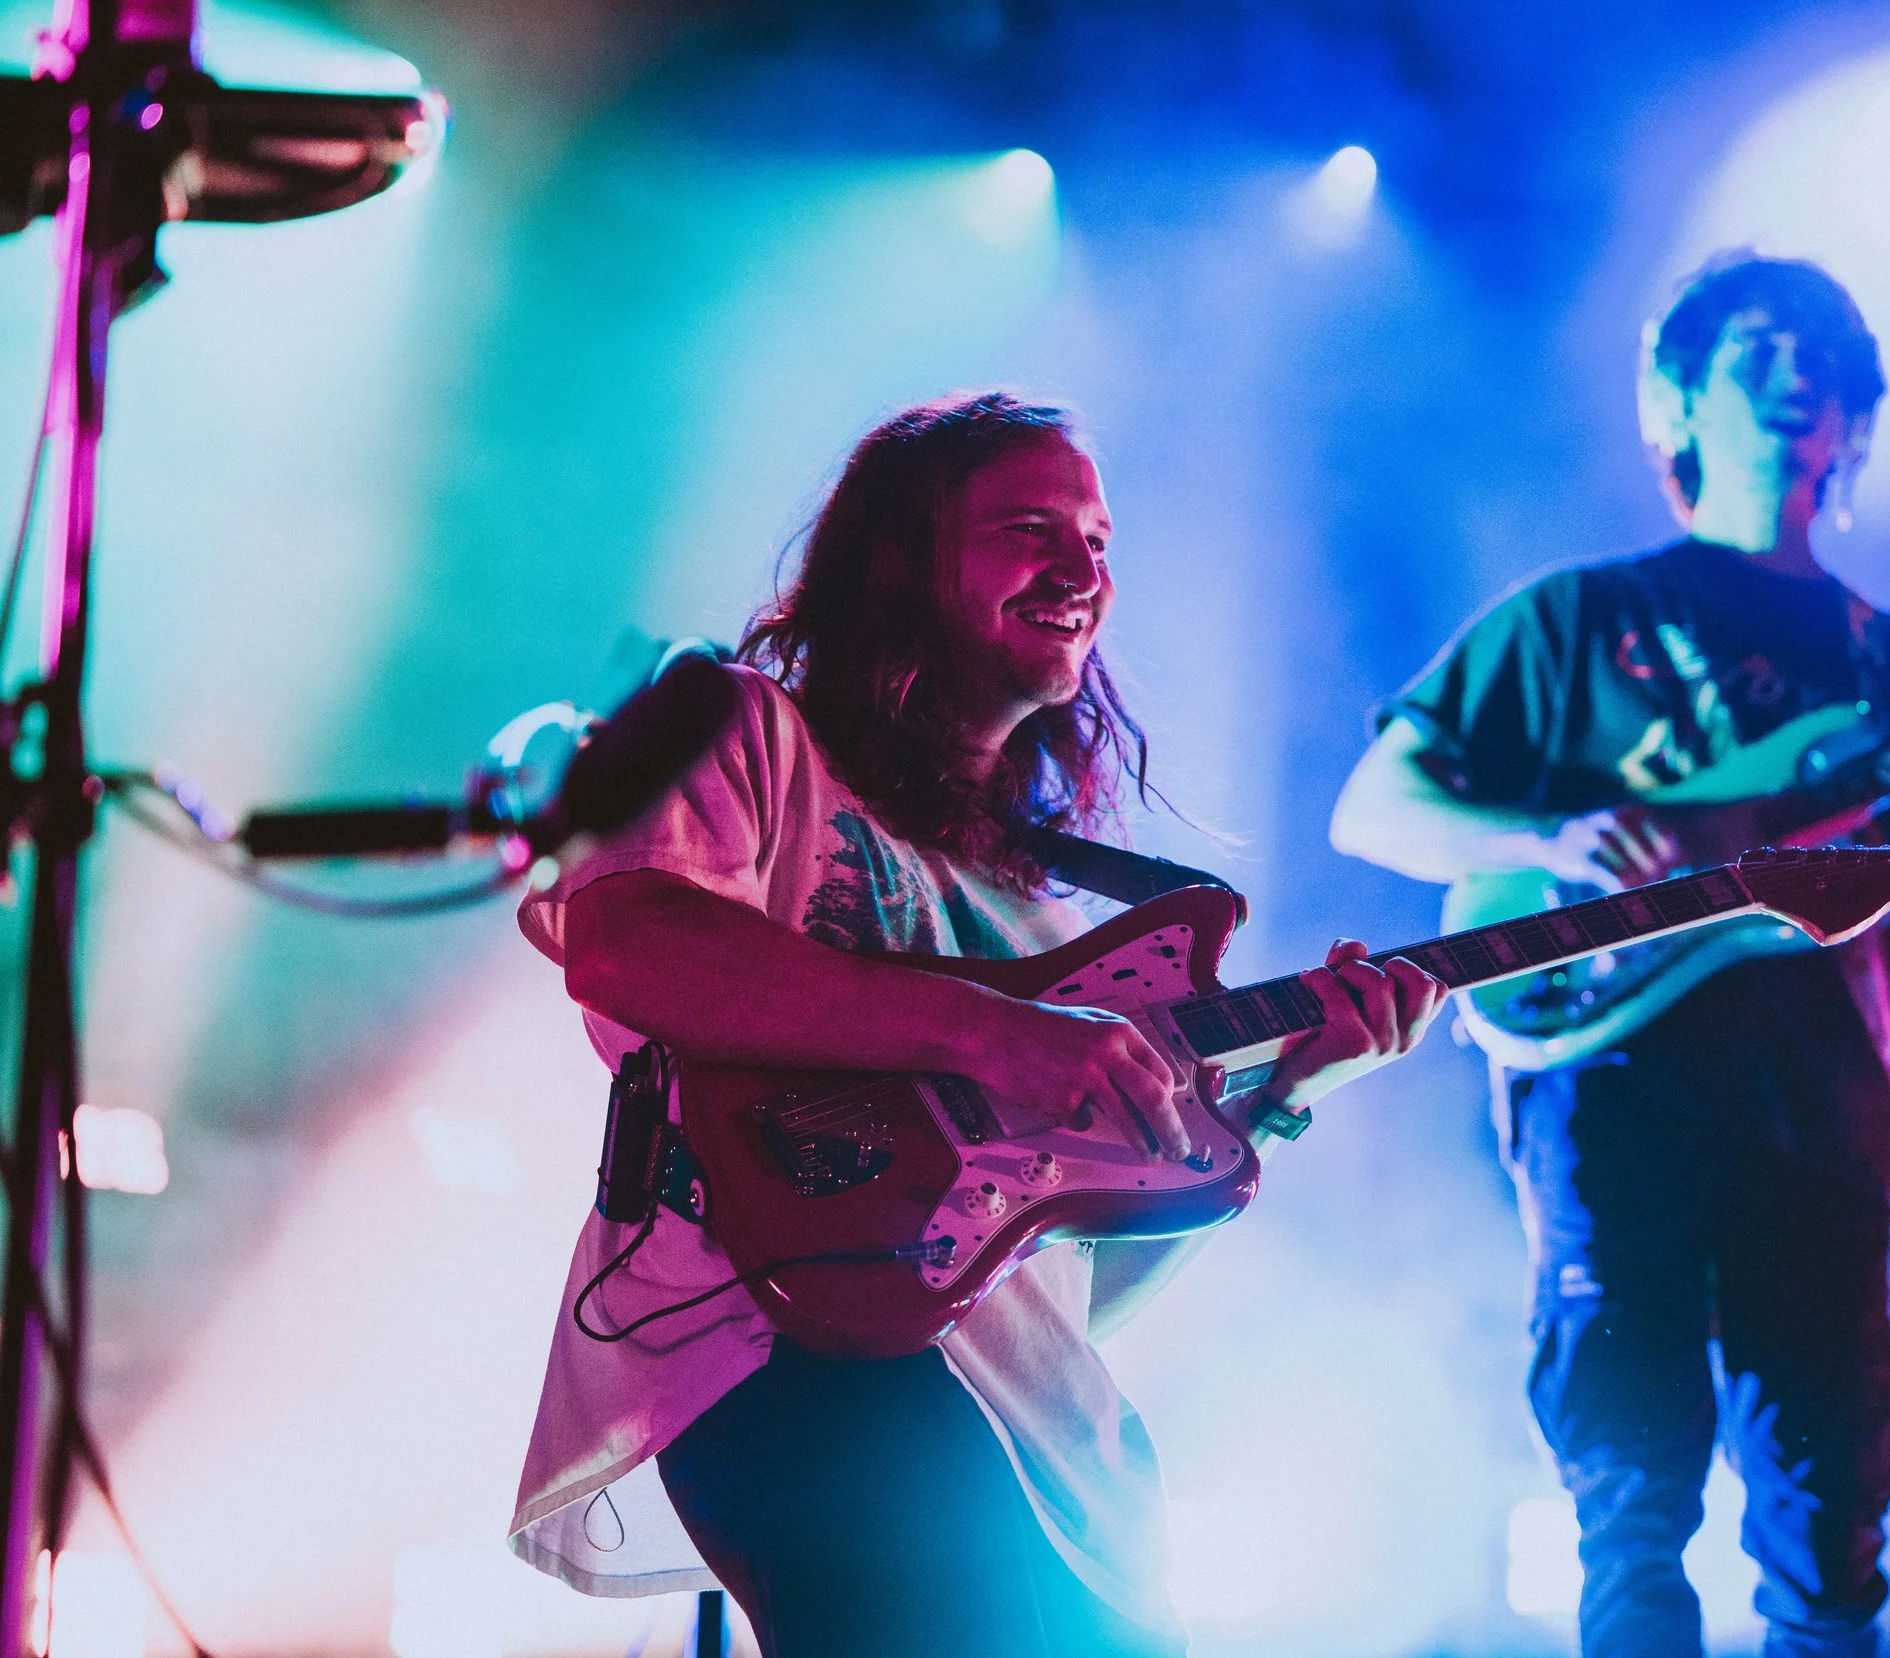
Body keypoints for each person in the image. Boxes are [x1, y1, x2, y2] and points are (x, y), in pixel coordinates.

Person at [506, 392, 1447, 1658]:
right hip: (792, 1357)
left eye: (1098, 540)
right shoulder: (751, 732)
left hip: (1074, 1471)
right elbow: (628, 942)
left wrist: (1281, 1097)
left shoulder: (1049, 916)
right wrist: (988, 1032)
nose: (1081, 571)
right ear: (897, 559)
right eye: (1028, 529)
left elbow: (1059, 1279)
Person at [1329, 254, 1890, 1658]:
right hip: (1606, 1087)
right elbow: (1375, 804)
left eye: (1826, 361)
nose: (1798, 378)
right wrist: (1551, 833)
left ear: (1855, 420)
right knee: (1629, 1502)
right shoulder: (1577, 620)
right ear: (1676, 400)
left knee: (1826, 1536)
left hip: (1820, 1121)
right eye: (1759, 351)